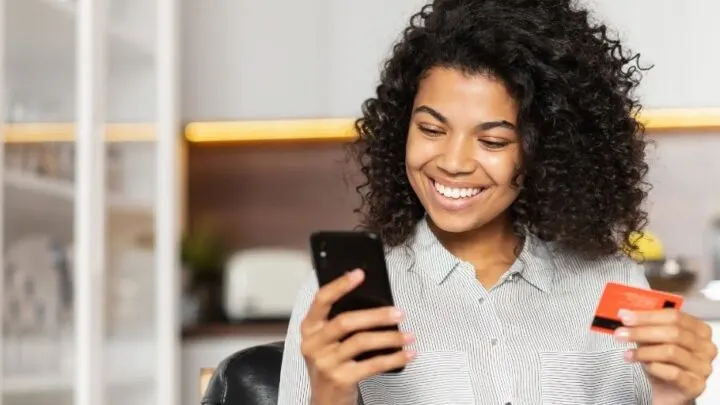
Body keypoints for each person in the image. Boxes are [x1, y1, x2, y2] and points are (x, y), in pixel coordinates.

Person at [277, 0, 718, 404]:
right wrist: (329, 396)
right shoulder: (337, 297)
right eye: (431, 130)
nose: (452, 162)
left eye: (492, 140)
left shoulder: (613, 287)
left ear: (543, 149)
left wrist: (676, 397)